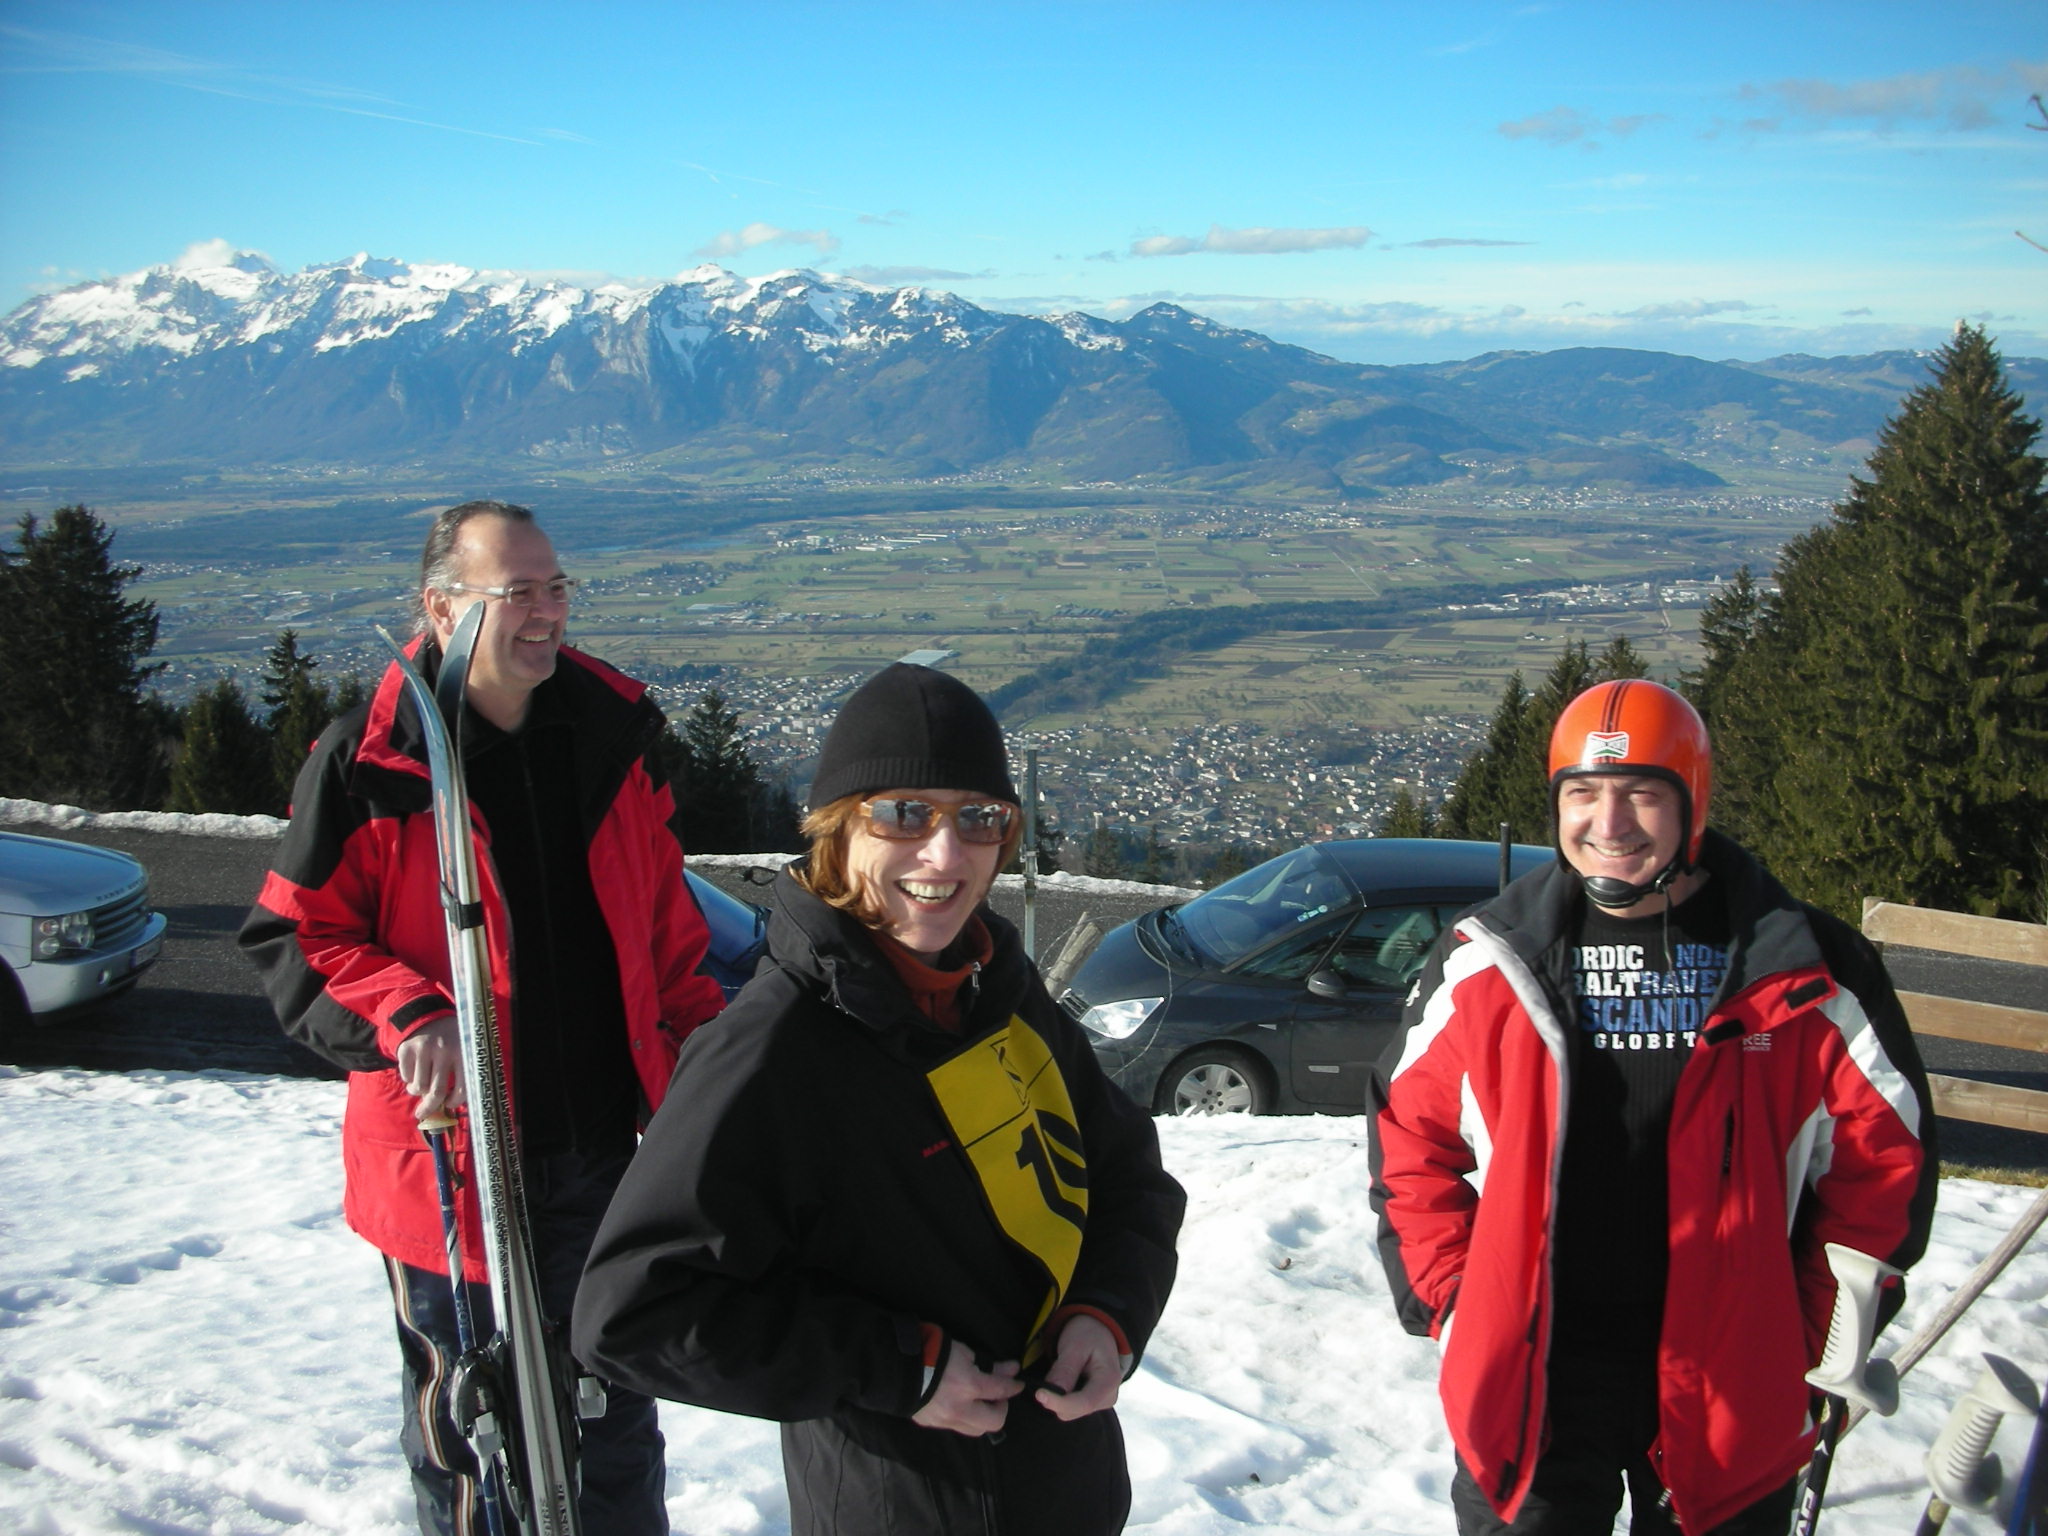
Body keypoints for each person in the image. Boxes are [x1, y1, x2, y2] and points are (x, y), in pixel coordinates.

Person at [572, 661, 1186, 1536]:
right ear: (838, 831)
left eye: (979, 818)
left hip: (1067, 1491)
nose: (946, 853)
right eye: (904, 814)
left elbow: (1128, 1175)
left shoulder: (1001, 996)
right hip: (899, 1506)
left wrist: (1110, 1313)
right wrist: (899, 1369)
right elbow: (634, 1314)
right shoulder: (773, 1050)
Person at [239, 499, 726, 1536]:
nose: (547, 612)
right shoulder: (374, 762)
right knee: (474, 1432)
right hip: (452, 1172)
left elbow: (668, 938)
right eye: (518, 592)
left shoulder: (609, 738)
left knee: (614, 1418)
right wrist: (408, 1012)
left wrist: (700, 1074)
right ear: (440, 607)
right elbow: (296, 940)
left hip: (602, 1152)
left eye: (557, 587)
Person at [1367, 678, 1936, 1536]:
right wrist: (1457, 1303)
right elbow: (1409, 1137)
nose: (1610, 823)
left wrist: (1809, 1337)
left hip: (1730, 1376)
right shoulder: (1493, 961)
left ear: (1691, 802)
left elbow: (1884, 1164)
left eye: (1641, 793)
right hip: (1537, 1379)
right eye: (1583, 794)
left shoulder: (1803, 966)